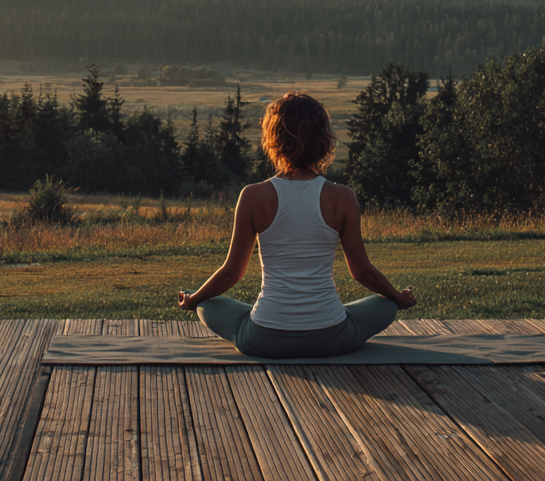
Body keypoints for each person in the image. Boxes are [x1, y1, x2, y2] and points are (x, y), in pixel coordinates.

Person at [177, 91, 416, 358]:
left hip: (264, 338)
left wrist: (193, 299)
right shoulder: (343, 197)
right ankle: (334, 314)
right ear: (323, 141)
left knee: (207, 306)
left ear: (273, 139)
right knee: (386, 306)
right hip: (332, 337)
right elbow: (362, 273)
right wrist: (398, 297)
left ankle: (210, 304)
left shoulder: (253, 196)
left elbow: (232, 274)